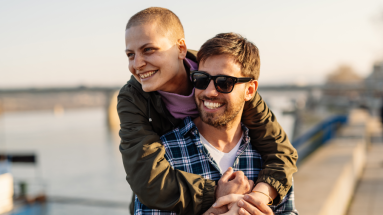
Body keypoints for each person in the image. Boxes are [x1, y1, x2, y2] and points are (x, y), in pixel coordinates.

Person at [118, 7, 298, 215]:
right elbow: (147, 179)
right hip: (166, 195)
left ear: (181, 49)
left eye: (149, 49)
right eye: (130, 54)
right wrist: (220, 194)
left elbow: (281, 151)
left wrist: (258, 198)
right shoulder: (133, 98)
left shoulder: (227, 69)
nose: (137, 64)